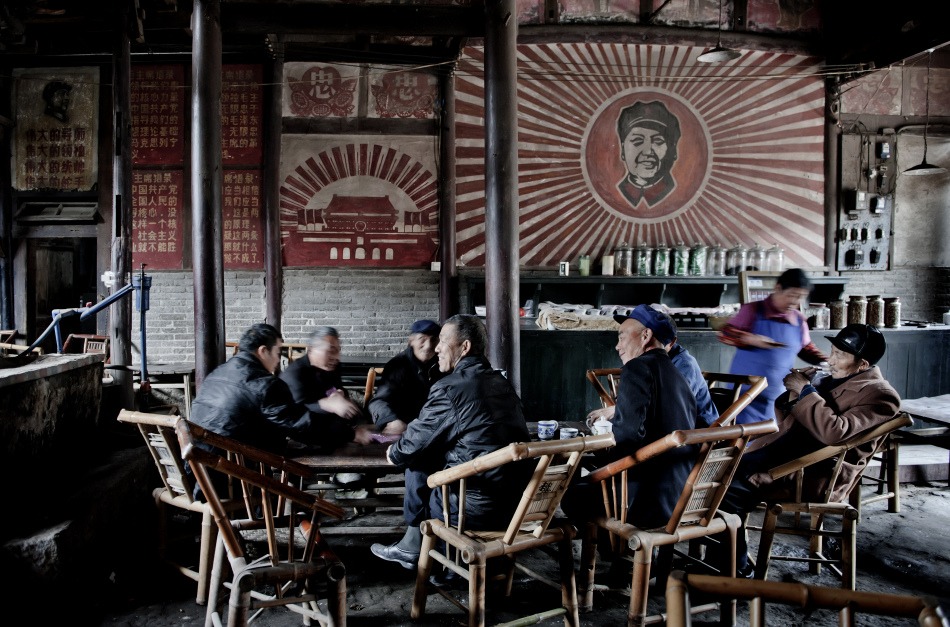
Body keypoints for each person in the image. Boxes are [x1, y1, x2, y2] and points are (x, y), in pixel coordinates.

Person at [713, 324, 900, 576]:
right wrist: (795, 392)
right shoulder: (834, 379)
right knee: (711, 475)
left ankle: (735, 568)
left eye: (840, 355)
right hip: (781, 454)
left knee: (728, 492)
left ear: (863, 364)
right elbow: (788, 425)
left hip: (810, 472)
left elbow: (835, 432)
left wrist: (805, 390)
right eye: (832, 351)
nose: (830, 360)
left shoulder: (880, 395)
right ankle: (722, 559)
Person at [370, 314, 531, 570]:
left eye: (443, 341)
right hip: (514, 501)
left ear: (464, 347)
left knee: (418, 461)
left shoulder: (451, 388)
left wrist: (395, 452)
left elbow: (413, 443)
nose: (436, 348)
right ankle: (422, 550)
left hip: (473, 504)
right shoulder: (500, 382)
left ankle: (416, 547)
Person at [580, 304, 698, 529]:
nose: (617, 346)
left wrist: (599, 461)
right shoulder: (678, 375)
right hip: (679, 499)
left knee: (572, 493)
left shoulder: (637, 368)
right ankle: (617, 552)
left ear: (646, 336)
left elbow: (628, 436)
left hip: (642, 501)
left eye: (622, 337)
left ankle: (616, 553)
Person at [718, 268, 827, 424]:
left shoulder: (798, 320)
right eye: (791, 295)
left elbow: (806, 349)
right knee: (741, 442)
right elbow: (725, 334)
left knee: (769, 440)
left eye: (800, 297)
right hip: (744, 397)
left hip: (777, 398)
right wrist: (751, 339)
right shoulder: (753, 310)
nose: (794, 302)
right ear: (777, 288)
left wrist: (830, 361)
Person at [189, 323, 318, 454]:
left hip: (198, 462)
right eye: (277, 353)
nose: (278, 360)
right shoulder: (266, 384)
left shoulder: (217, 373)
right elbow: (298, 426)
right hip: (231, 466)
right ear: (263, 351)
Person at [279, 326, 373, 450]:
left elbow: (338, 390)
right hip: (303, 439)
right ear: (311, 350)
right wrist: (327, 405)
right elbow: (297, 419)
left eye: (338, 350)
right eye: (331, 350)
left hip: (332, 429)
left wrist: (340, 395)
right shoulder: (295, 374)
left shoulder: (332, 367)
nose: (337, 357)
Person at [368, 319, 444, 436]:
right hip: (406, 429)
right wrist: (390, 420)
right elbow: (379, 401)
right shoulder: (397, 366)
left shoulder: (443, 363)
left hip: (434, 427)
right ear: (411, 341)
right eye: (422, 339)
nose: (428, 346)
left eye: (433, 340)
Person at [616, 100, 681, 208]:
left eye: (658, 141)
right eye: (637, 141)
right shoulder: (618, 192)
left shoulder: (678, 194)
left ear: (673, 151)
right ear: (623, 150)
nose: (647, 151)